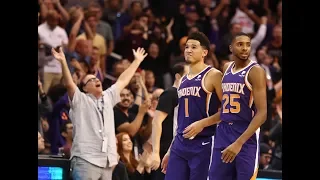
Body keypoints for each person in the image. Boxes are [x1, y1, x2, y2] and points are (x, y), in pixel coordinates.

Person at [51, 47, 148, 180]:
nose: (96, 80)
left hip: (107, 161)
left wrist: (136, 61)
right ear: (84, 88)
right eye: (91, 80)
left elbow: (122, 80)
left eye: (96, 79)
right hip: (86, 159)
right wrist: (63, 62)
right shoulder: (80, 99)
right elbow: (69, 84)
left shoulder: (108, 96)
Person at [186, 32, 267, 180]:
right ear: (231, 48)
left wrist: (239, 143)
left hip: (245, 132)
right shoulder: (226, 67)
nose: (245, 48)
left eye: (248, 45)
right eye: (240, 44)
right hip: (223, 131)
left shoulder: (256, 71)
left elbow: (262, 113)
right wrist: (203, 123)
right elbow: (223, 108)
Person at [163, 32, 223, 180]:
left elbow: (229, 111)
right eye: (186, 47)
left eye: (194, 47)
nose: (188, 50)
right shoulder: (183, 80)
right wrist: (170, 150)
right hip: (180, 144)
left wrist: (203, 124)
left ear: (204, 52)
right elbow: (181, 118)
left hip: (203, 143)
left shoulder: (214, 75)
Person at [150, 62, 188, 180]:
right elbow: (156, 122)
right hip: (167, 148)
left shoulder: (187, 96)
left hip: (180, 148)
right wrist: (155, 152)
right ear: (178, 76)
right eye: (188, 74)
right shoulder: (170, 93)